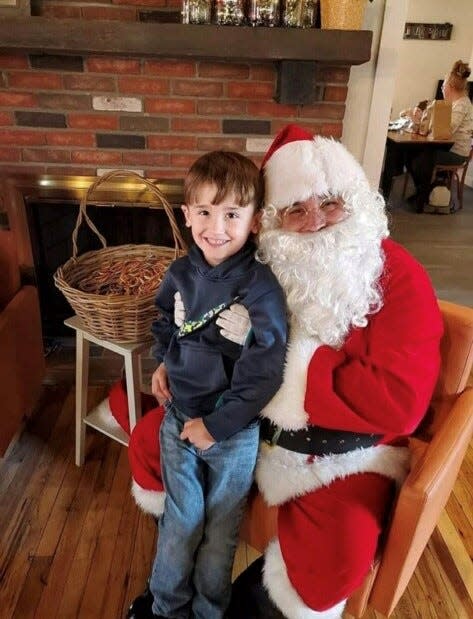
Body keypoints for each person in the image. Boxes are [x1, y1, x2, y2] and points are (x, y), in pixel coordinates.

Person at [127, 124, 443, 619]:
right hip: (245, 422)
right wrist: (172, 360)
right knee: (150, 442)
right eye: (296, 209)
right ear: (268, 223)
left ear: (357, 203)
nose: (315, 221)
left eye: (331, 203)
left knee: (333, 556)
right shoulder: (256, 262)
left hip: (340, 453)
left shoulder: (397, 276)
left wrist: (282, 362)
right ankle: (176, 582)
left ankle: (252, 607)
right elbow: (196, 324)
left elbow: (401, 405)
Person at [127, 150, 287, 619]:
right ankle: (166, 609)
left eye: (232, 214)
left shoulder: (261, 288)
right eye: (204, 211)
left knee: (220, 532)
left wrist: (217, 426)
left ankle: (209, 613)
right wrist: (164, 362)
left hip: (232, 435)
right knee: (181, 522)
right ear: (186, 214)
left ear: (254, 220)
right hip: (178, 421)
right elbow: (164, 322)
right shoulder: (179, 273)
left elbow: (266, 370)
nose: (216, 227)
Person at [410, 59, 473, 212]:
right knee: (413, 154)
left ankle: (423, 195)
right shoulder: (454, 104)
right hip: (447, 148)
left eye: (444, 86)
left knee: (422, 158)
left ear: (450, 87)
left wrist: (430, 117)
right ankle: (423, 192)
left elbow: (447, 130)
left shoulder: (462, 105)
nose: (443, 89)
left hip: (457, 153)